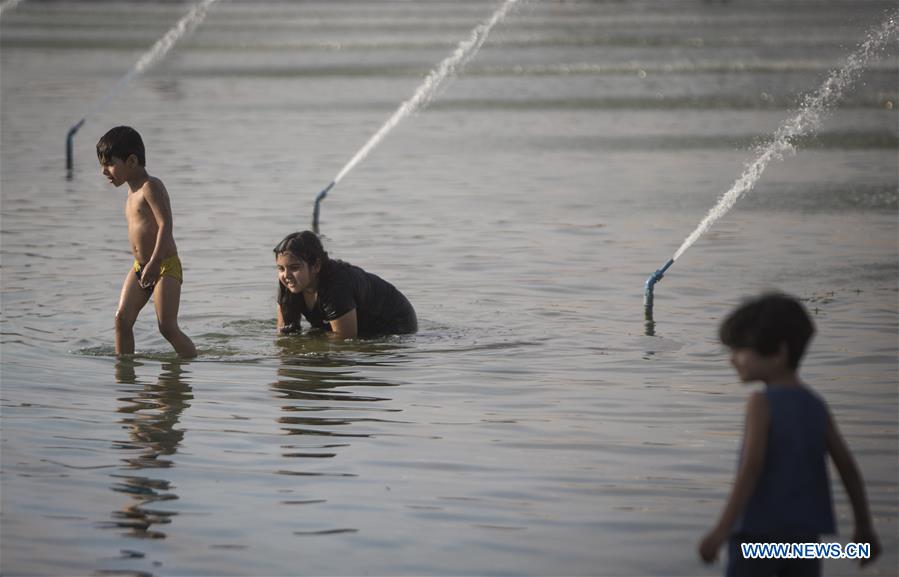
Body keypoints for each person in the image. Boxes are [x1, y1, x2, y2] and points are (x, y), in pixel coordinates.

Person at [699, 293, 880, 576]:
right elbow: (847, 467)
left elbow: (751, 467)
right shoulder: (816, 404)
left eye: (740, 350)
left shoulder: (761, 402)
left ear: (778, 353)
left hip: (758, 538)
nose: (733, 360)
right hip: (805, 540)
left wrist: (721, 530)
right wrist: (864, 526)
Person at [97, 126, 196, 358]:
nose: (104, 172)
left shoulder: (150, 187)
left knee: (167, 327)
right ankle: (125, 373)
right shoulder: (131, 192)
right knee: (121, 319)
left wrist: (154, 262)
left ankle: (192, 363)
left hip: (163, 266)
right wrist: (145, 265)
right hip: (140, 267)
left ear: (131, 161)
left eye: (109, 164)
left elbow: (166, 225)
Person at [274, 231, 417, 339]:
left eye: (294, 267)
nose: (286, 275)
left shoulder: (337, 285)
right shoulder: (290, 285)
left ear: (316, 266)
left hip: (395, 327)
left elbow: (345, 340)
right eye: (281, 268)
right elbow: (283, 334)